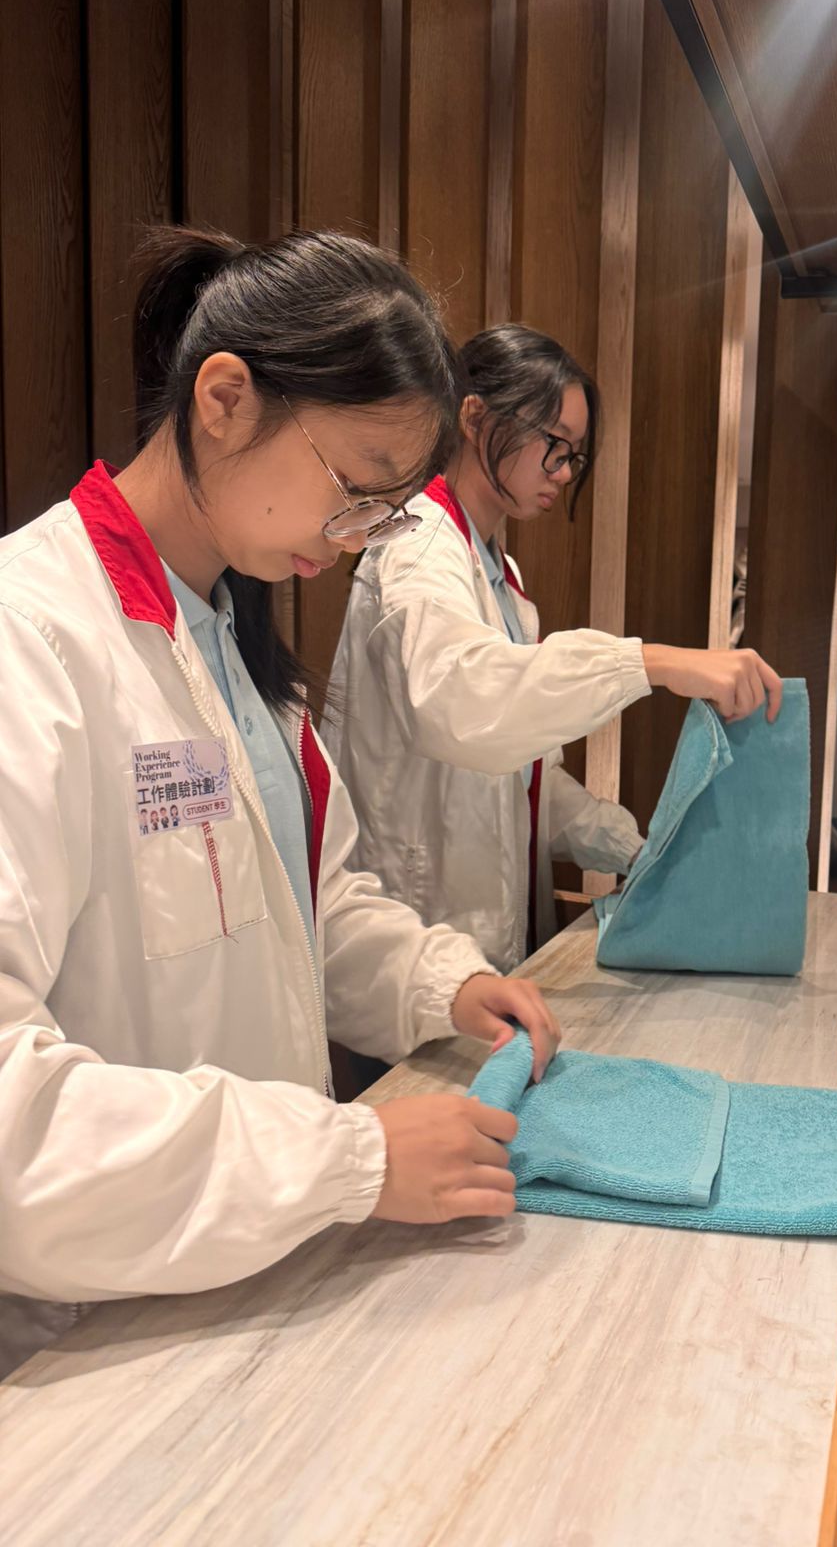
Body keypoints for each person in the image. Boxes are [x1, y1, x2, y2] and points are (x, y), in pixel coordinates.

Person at [0, 228, 560, 1375]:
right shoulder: (33, 640)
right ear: (224, 399)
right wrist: (345, 1160)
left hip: (260, 1296)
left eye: (383, 511)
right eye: (354, 488)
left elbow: (306, 911)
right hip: (98, 1343)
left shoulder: (240, 651)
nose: (351, 540)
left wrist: (437, 981)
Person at [328, 324, 782, 973]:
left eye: (574, 455)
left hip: (479, 940)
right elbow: (462, 703)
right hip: (413, 933)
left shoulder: (501, 576)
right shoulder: (417, 546)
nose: (565, 473)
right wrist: (652, 662)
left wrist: (631, 847)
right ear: (474, 417)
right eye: (554, 445)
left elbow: (525, 778)